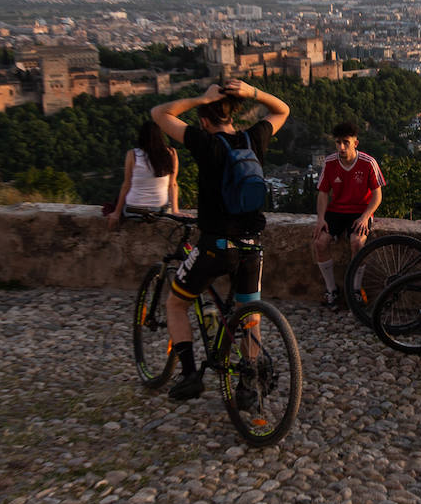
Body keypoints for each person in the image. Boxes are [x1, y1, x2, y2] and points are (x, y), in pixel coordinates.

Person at [150, 79, 290, 402]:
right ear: (233, 115)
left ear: (204, 120)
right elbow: (283, 110)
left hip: (216, 246)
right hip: (251, 244)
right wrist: (252, 93)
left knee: (176, 303)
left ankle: (189, 375)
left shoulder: (204, 142)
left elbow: (159, 113)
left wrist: (200, 98)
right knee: (249, 314)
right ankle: (247, 385)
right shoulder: (252, 139)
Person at [312, 121, 385, 309]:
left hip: (360, 211)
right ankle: (331, 290)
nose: (341, 147)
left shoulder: (368, 162)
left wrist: (366, 216)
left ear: (355, 143)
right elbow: (323, 193)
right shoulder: (330, 163)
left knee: (357, 243)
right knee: (320, 243)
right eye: (338, 142)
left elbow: (377, 195)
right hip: (336, 211)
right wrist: (320, 219)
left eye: (346, 142)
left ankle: (355, 290)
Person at [107, 119, 179, 227]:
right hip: (157, 212)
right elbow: (172, 184)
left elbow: (126, 185)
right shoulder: (171, 153)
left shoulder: (133, 154)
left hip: (133, 210)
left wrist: (116, 213)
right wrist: (175, 211)